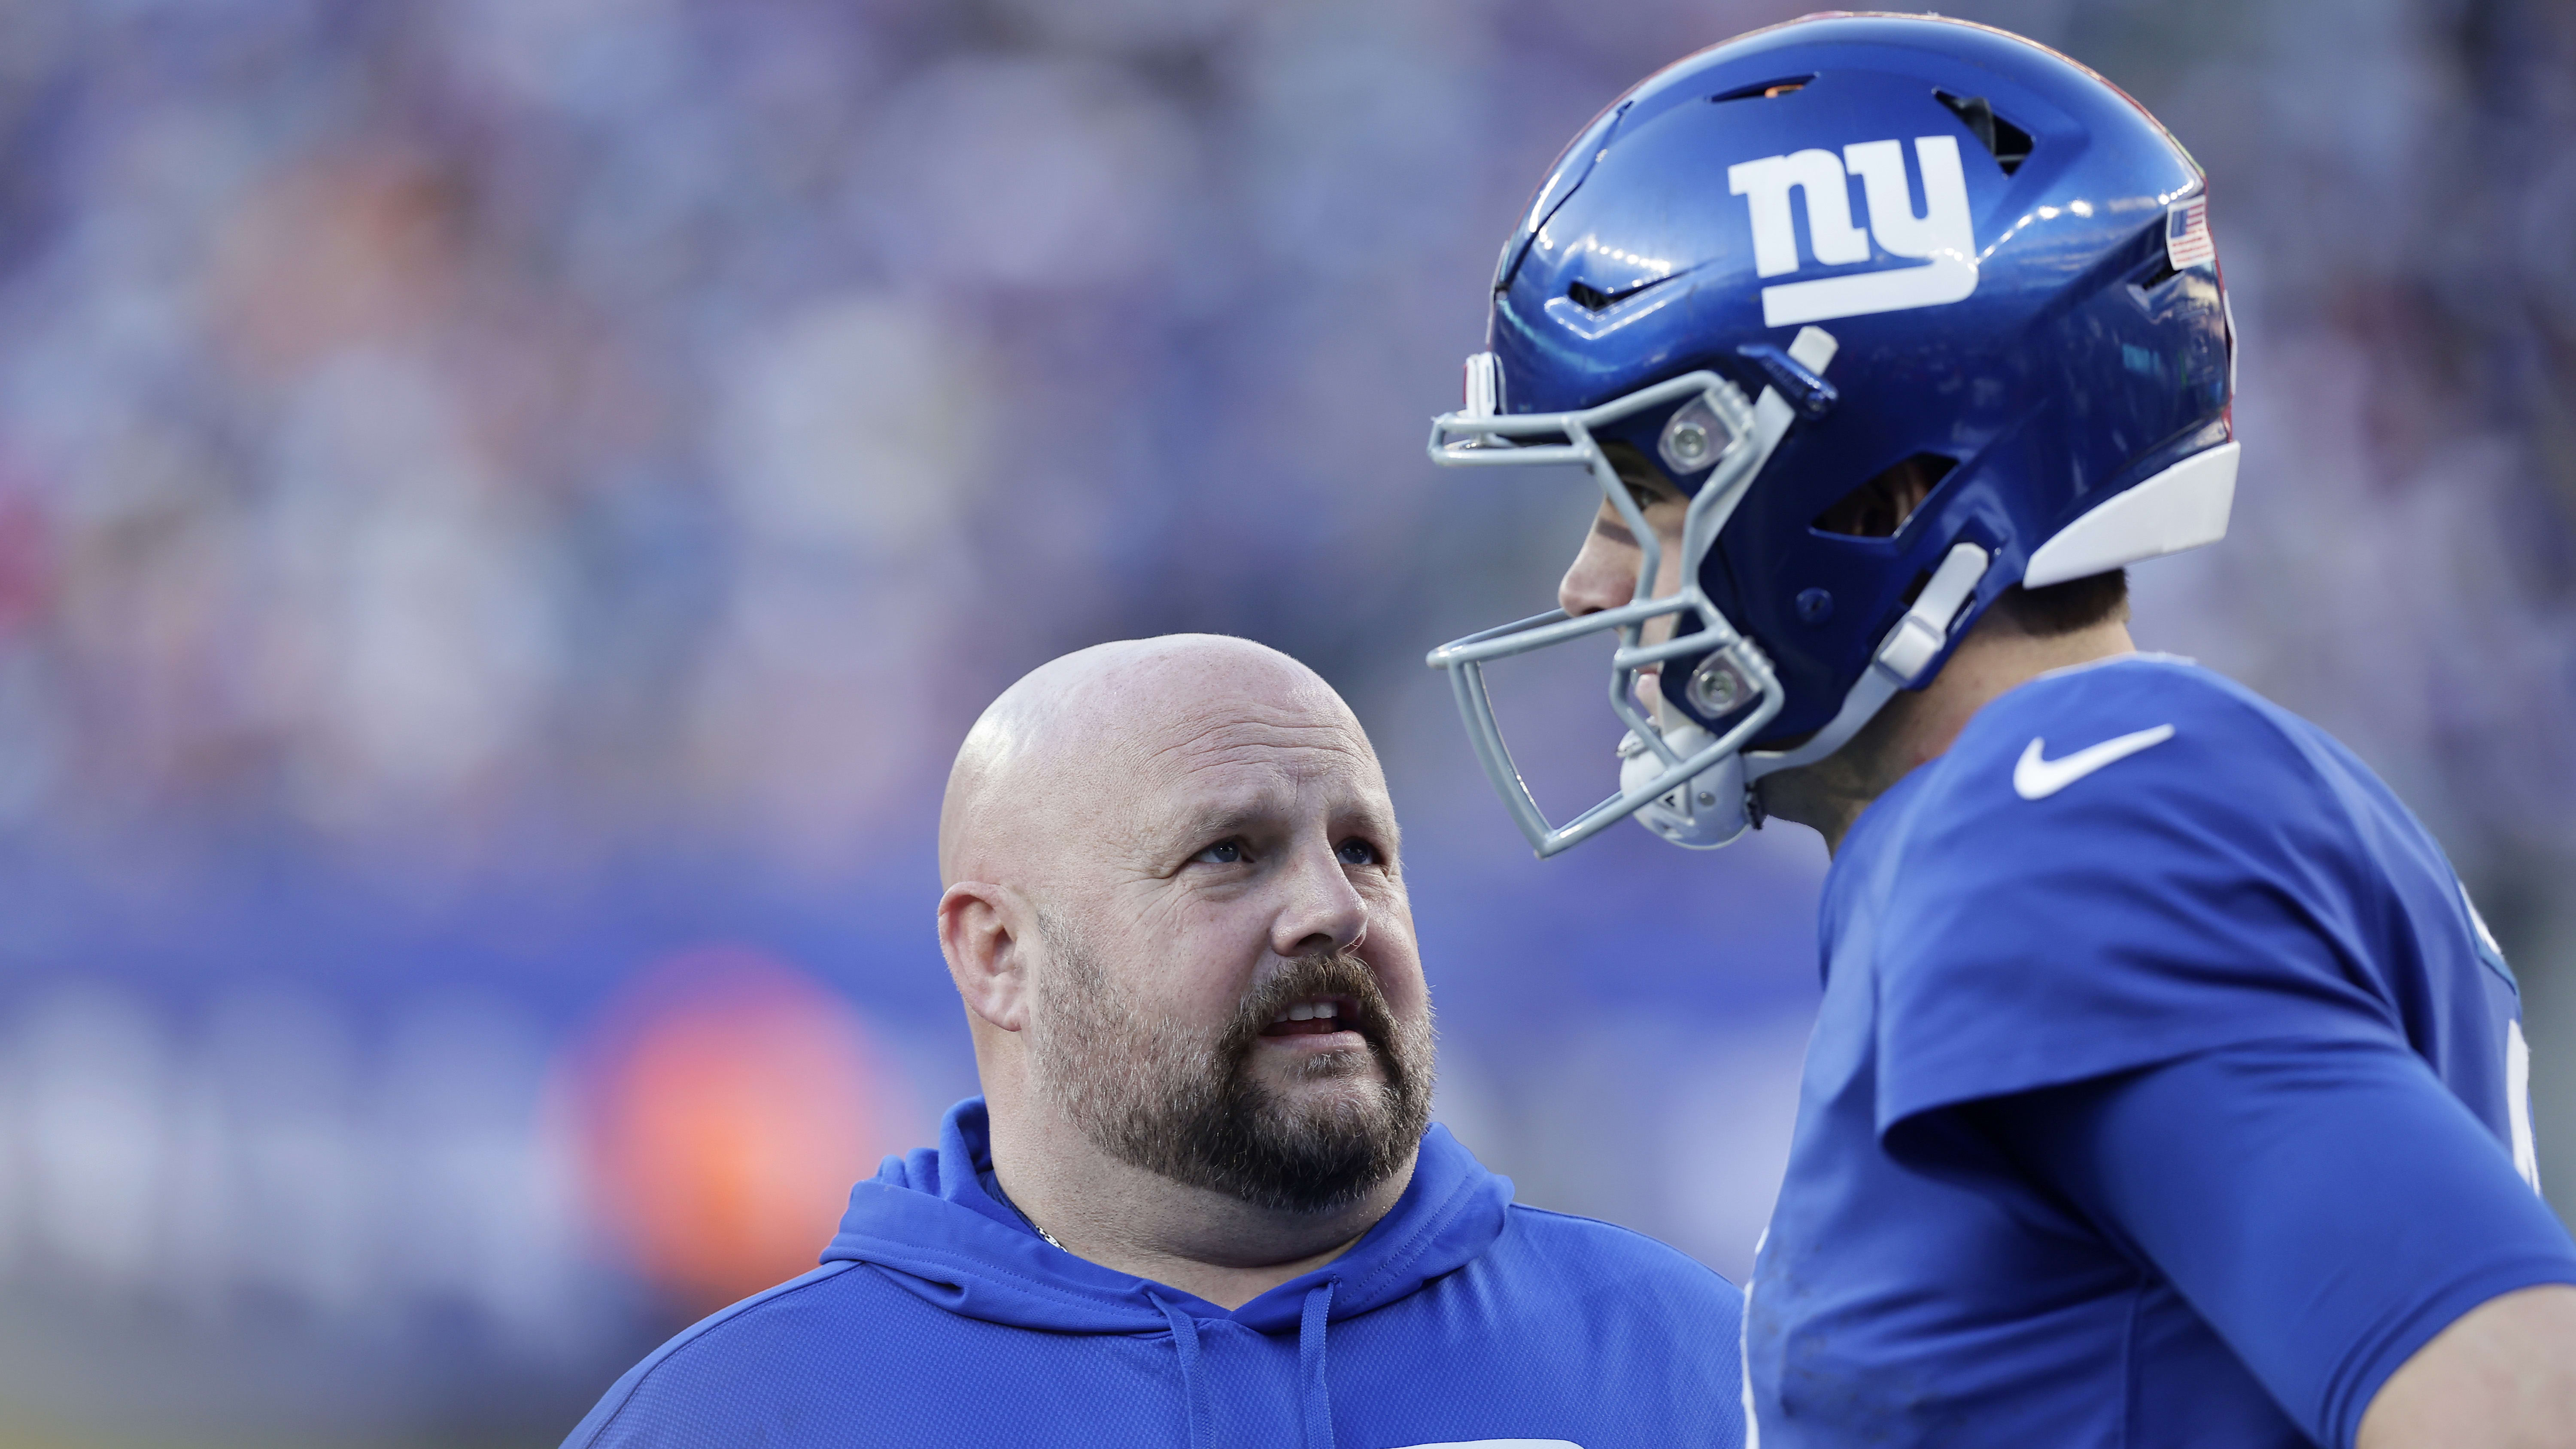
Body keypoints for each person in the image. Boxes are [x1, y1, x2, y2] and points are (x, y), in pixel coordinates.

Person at [1420, 14, 2576, 1449]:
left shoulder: (2061, 825)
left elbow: (2516, 1393)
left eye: (1643, 498)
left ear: (1892, 489)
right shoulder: (2047, 827)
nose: (1586, 584)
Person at [563, 633, 1749, 1449]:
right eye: (1228, 852)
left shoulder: (1700, 1369)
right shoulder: (744, 1418)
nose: (1333, 908)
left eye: (1365, 851)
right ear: (997, 957)